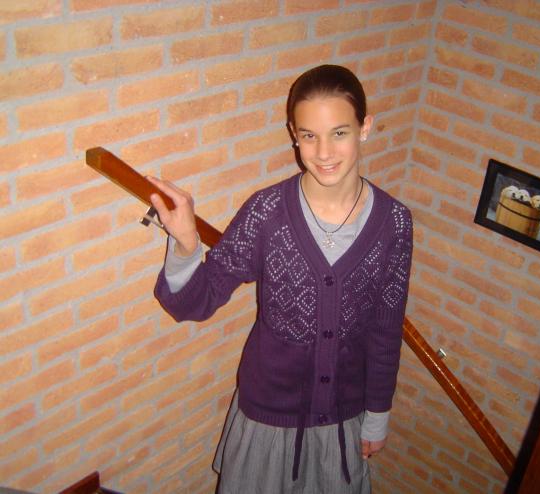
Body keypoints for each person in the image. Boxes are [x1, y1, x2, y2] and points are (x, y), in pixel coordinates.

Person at [147, 64, 413, 494]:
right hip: (266, 420)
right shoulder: (266, 213)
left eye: (339, 133)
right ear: (293, 134)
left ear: (365, 128)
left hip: (343, 420)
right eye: (309, 135)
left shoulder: (395, 223)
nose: (323, 152)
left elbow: (386, 329)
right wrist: (185, 243)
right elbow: (196, 301)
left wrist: (378, 414)